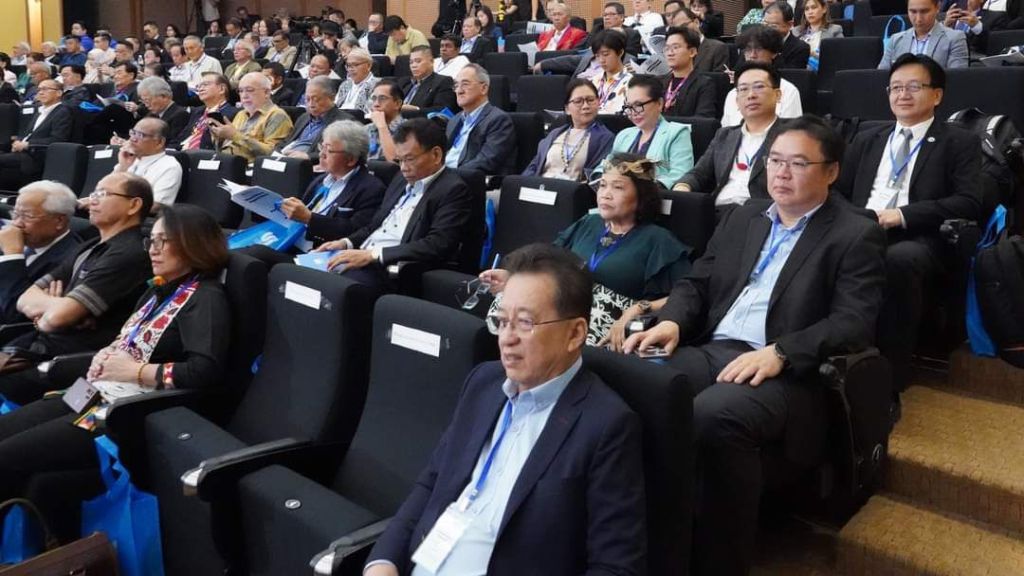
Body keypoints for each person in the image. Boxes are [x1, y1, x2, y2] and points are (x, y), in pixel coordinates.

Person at [623, 115, 887, 576]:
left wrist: (782, 352)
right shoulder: (744, 215)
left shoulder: (854, 232)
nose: (781, 173)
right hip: (715, 347)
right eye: (775, 161)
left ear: (831, 171)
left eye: (798, 163)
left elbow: (853, 321)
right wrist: (672, 322)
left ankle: (719, 563)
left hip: (791, 369)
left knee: (712, 414)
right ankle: (647, 540)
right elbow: (698, 281)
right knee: (638, 383)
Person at [363, 243, 647, 576]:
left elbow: (615, 567)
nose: (506, 338)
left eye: (525, 323)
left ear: (575, 333)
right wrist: (383, 561)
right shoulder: (483, 383)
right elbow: (433, 482)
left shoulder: (605, 425)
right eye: (502, 321)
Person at [0, 205, 231, 540]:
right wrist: (107, 355)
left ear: (192, 244)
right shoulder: (159, 289)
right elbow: (129, 341)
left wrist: (136, 370)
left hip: (122, 414)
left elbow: (204, 371)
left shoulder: (205, 298)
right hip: (92, 391)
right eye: (151, 241)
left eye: (163, 241)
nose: (152, 250)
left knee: (6, 458)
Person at [836, 53, 981, 389]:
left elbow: (969, 202)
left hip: (920, 236)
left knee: (898, 260)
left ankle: (889, 379)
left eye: (913, 87)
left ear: (937, 95)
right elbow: (838, 190)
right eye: (896, 87)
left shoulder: (959, 142)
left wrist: (902, 215)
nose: (902, 94)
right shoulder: (868, 137)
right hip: (862, 227)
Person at [488, 154, 691, 343]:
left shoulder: (658, 239)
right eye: (602, 185)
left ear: (641, 196)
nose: (605, 195)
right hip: (564, 308)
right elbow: (551, 259)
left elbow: (685, 296)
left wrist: (639, 308)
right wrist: (514, 276)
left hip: (611, 326)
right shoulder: (589, 223)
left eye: (617, 187)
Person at [0, 173, 153, 403]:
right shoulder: (90, 245)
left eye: (103, 194)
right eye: (93, 193)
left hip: (69, 363)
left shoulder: (129, 254)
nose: (92, 200)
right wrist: (62, 307)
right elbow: (24, 299)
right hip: (38, 346)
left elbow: (54, 318)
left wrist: (54, 313)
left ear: (133, 205)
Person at [316, 118, 475, 291]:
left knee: (330, 287)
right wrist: (346, 243)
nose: (403, 168)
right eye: (399, 160)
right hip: (363, 255)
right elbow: (374, 226)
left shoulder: (453, 189)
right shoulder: (400, 179)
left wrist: (374, 255)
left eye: (409, 159)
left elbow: (437, 244)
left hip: (390, 268)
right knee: (309, 272)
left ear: (436, 155)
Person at [246, 120, 386, 265]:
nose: (321, 154)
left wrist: (309, 218)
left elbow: (354, 232)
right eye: (321, 147)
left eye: (329, 150)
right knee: (241, 248)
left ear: (350, 159)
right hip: (291, 239)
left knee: (255, 254)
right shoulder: (320, 179)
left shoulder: (371, 188)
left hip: (318, 254)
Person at [673, 62, 788, 214]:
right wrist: (683, 186)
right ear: (737, 101)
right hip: (717, 213)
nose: (751, 95)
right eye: (743, 89)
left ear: (777, 95)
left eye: (759, 87)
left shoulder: (792, 135)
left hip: (762, 215)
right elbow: (699, 174)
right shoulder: (725, 135)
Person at [0, 182, 81, 324]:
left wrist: (12, 255)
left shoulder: (69, 260)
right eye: (15, 214)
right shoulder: (13, 239)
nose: (16, 223)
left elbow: (14, 313)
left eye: (27, 216)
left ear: (59, 221)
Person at [596, 75, 695, 189]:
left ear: (659, 103)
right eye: (628, 106)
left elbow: (680, 175)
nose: (633, 112)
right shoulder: (624, 135)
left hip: (655, 196)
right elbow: (605, 166)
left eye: (638, 105)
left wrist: (643, 188)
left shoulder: (677, 133)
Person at [524, 78, 615, 180]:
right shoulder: (555, 134)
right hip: (542, 186)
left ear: (598, 103)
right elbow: (533, 167)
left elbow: (597, 176)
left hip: (574, 188)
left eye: (590, 100)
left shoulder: (605, 138)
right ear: (567, 109)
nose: (585, 106)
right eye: (578, 101)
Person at [721, 27, 802, 127]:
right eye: (748, 49)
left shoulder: (788, 90)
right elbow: (726, 131)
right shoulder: (733, 94)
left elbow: (792, 131)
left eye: (759, 49)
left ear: (774, 53)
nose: (752, 55)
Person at [445, 64, 518, 175]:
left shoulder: (498, 120)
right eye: (456, 85)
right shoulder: (454, 120)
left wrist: (449, 176)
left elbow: (486, 161)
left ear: (483, 88)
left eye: (465, 84)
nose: (459, 91)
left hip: (466, 179)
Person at [0, 80, 72, 191]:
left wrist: (27, 144)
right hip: (22, 153)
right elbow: (28, 134)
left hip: (36, 156)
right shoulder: (40, 111)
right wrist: (18, 141)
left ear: (59, 93)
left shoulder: (62, 112)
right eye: (39, 90)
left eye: (45, 89)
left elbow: (58, 139)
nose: (41, 92)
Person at [211, 71, 293, 164]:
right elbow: (228, 145)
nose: (244, 96)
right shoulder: (241, 114)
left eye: (249, 90)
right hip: (227, 163)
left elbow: (273, 154)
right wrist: (220, 137)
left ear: (266, 92)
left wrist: (235, 135)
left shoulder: (277, 115)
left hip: (250, 168)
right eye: (240, 91)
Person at [110, 118, 183, 211]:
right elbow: (104, 191)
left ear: (160, 142)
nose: (132, 139)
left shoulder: (170, 166)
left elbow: (156, 206)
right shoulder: (129, 158)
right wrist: (123, 167)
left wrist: (115, 206)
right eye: (133, 133)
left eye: (140, 135)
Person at [878, 0, 969, 69]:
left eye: (924, 11)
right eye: (913, 12)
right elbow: (881, 75)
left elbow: (956, 78)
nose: (918, 19)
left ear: (937, 7)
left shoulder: (954, 38)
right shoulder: (895, 40)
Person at [276, 76, 345, 159]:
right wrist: (276, 152)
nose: (311, 104)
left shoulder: (342, 122)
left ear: (332, 98)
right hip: (285, 158)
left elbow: (337, 153)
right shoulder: (304, 117)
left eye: (316, 99)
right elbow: (286, 141)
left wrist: (308, 156)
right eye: (307, 99)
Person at [662, 26, 718, 117]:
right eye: (667, 48)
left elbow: (703, 120)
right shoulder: (659, 83)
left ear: (692, 52)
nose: (670, 53)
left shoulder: (704, 84)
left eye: (675, 47)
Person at [180, 72, 239, 151]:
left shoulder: (234, 113)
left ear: (222, 89)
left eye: (205, 84)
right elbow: (181, 137)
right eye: (199, 86)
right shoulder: (196, 111)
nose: (200, 89)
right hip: (182, 151)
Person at [400, 45, 458, 115]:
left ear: (431, 61)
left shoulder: (443, 81)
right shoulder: (406, 83)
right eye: (411, 62)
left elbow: (442, 111)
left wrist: (416, 109)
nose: (413, 65)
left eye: (418, 61)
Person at [589, 30, 633, 115]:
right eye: (597, 56)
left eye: (605, 54)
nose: (601, 60)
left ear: (620, 52)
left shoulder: (631, 83)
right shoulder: (593, 81)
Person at [794, 0, 844, 69]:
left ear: (824, 9)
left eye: (814, 7)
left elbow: (839, 56)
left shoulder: (834, 30)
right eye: (806, 9)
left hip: (822, 70)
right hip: (797, 71)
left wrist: (809, 53)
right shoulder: (795, 31)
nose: (810, 12)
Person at [760, 3, 811, 69]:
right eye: (765, 24)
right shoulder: (757, 43)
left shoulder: (800, 48)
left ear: (790, 24)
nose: (767, 29)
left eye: (773, 26)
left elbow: (792, 73)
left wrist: (773, 54)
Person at [367, 80, 405, 162]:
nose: (376, 104)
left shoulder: (408, 130)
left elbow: (396, 162)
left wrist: (382, 127)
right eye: (374, 99)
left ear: (397, 104)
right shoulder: (366, 129)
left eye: (382, 98)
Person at [335, 48, 379, 114]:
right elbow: (335, 106)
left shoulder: (377, 86)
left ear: (368, 66)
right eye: (349, 65)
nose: (351, 69)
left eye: (355, 65)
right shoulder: (345, 84)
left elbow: (370, 112)